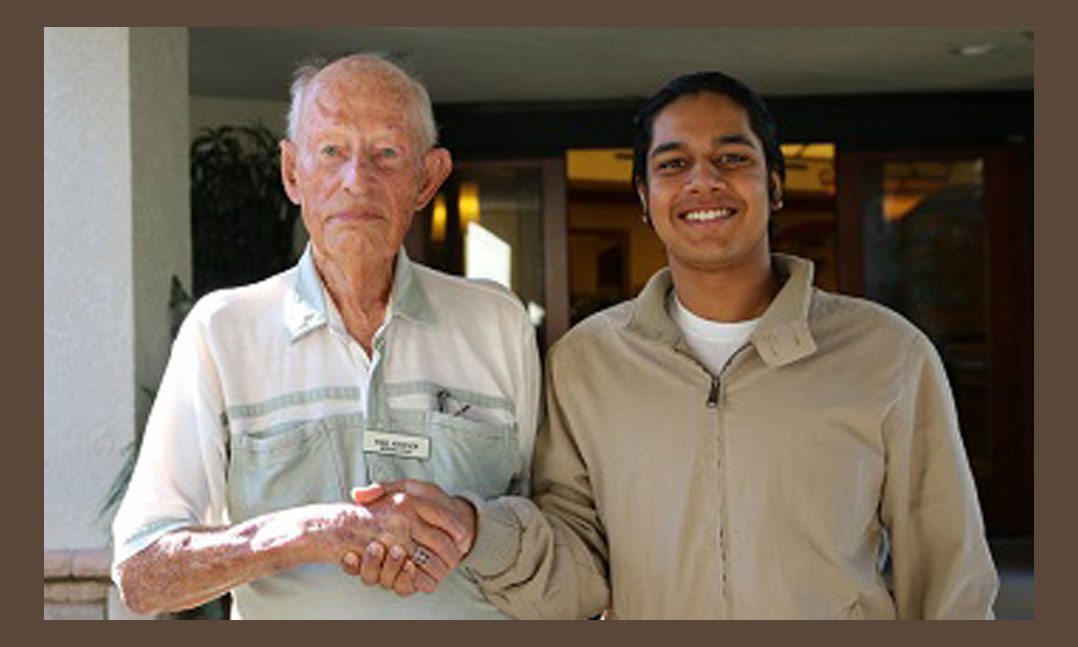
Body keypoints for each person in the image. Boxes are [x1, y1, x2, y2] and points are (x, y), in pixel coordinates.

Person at [353, 71, 999, 619]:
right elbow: (579, 560)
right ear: (645, 196)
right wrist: (475, 530)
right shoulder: (586, 363)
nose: (703, 181)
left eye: (732, 157)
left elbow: (950, 577)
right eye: (673, 164)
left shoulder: (888, 354)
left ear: (774, 185)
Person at [110, 53, 540, 619]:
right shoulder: (223, 332)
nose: (356, 180)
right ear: (292, 173)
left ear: (427, 179)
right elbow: (143, 576)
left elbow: (560, 532)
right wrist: (314, 531)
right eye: (331, 151)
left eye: (386, 153)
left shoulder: (497, 324)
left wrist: (470, 522)